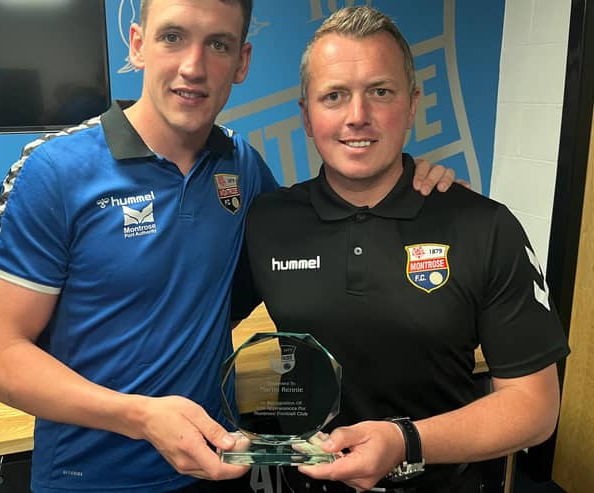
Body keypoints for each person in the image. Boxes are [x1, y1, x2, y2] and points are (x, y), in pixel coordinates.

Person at [0, 2, 456, 493]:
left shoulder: (240, 165)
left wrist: (409, 180)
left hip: (217, 466)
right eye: (173, 38)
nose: (193, 66)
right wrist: (140, 416)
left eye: (218, 44)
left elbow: (322, 225)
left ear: (242, 61)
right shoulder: (52, 171)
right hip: (90, 478)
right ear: (138, 45)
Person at [239, 6, 570, 493]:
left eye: (380, 91)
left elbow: (536, 408)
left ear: (412, 104)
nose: (357, 116)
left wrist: (405, 441)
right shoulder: (267, 221)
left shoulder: (486, 226)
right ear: (307, 117)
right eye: (334, 96)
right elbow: (196, 324)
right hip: (303, 483)